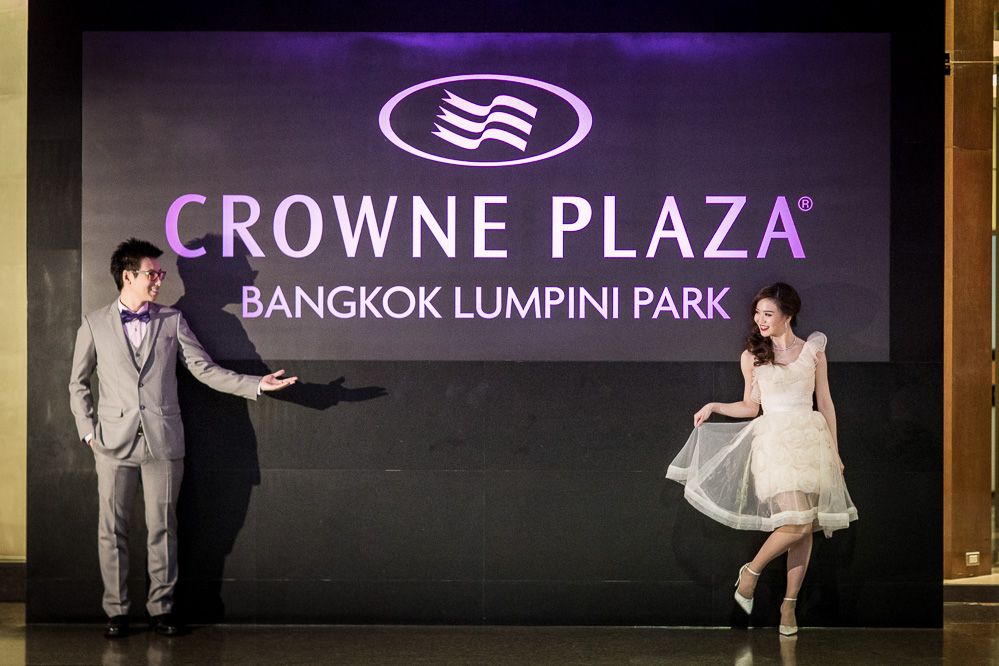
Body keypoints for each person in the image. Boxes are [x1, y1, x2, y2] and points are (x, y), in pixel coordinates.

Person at [68, 238, 297, 638]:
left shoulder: (172, 320)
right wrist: (88, 432)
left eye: (160, 273)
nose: (159, 280)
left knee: (163, 529)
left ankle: (162, 610)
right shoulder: (94, 324)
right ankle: (116, 612)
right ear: (128, 276)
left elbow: (205, 370)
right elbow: (77, 384)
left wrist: (257, 383)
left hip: (163, 442)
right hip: (112, 444)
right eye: (152, 274)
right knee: (112, 530)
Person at [666, 282, 857, 636]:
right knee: (797, 523)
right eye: (757, 313)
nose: (760, 320)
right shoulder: (753, 356)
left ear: (788, 315)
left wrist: (835, 450)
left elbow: (826, 403)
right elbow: (750, 406)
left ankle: (789, 606)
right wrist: (715, 406)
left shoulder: (813, 351)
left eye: (768, 313)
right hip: (773, 442)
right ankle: (750, 574)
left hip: (810, 440)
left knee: (804, 527)